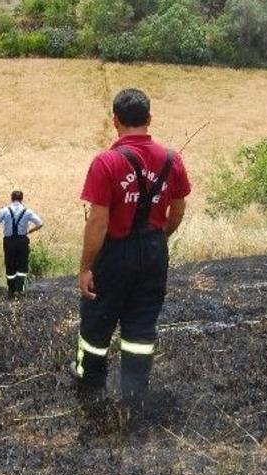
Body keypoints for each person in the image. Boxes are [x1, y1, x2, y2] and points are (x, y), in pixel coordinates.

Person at [71, 88, 192, 415]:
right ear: (149, 119)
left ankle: (90, 387)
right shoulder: (172, 160)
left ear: (115, 121)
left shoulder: (106, 162)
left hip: (115, 253)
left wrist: (85, 268)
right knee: (141, 325)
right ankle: (134, 392)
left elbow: (98, 222)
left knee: (97, 323)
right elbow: (178, 209)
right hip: (154, 252)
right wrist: (158, 238)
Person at [0, 190, 44, 297]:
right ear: (21, 199)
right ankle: (20, 289)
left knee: (10, 263)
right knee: (22, 264)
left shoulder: (5, 210)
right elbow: (40, 223)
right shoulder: (27, 211)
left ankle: (11, 289)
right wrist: (31, 230)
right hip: (22, 240)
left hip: (9, 241)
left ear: (11, 198)